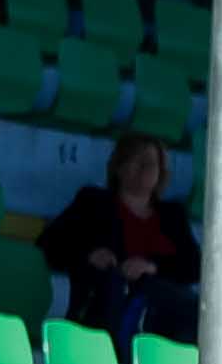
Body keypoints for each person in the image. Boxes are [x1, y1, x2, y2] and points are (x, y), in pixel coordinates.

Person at [38, 131, 198, 344]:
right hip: (111, 294)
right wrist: (89, 255)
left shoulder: (173, 214)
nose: (144, 168)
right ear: (119, 167)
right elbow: (49, 242)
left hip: (161, 300)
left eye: (150, 163)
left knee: (192, 307)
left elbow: (194, 265)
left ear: (161, 173)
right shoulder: (93, 202)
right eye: (136, 160)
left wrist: (152, 267)